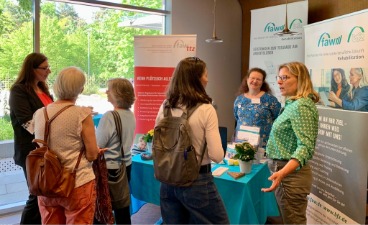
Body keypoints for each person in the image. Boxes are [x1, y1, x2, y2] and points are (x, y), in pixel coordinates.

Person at [155, 57, 229, 224]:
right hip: (197, 181)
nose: (207, 79)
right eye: (205, 75)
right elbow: (217, 155)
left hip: (167, 180)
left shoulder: (166, 105)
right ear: (197, 78)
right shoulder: (206, 109)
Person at [30, 66, 101, 224]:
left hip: (46, 183)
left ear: (57, 85)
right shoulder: (82, 114)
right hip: (77, 183)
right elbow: (91, 154)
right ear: (81, 89)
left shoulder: (40, 113)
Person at [261, 62, 319, 224]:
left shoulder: (302, 106)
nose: (279, 82)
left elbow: (305, 147)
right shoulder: (292, 104)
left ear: (300, 80)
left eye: (285, 78)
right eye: (279, 78)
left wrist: (282, 173)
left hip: (290, 178)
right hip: (284, 174)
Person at [9, 52, 53, 224]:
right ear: (32, 69)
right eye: (44, 68)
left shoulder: (43, 89)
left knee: (43, 196)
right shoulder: (19, 90)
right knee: (36, 196)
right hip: (31, 152)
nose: (48, 71)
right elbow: (27, 123)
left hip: (46, 151)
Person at [96, 78, 136, 224]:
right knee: (122, 207)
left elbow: (98, 145)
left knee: (102, 207)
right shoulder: (130, 114)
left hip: (110, 168)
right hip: (126, 165)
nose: (106, 91)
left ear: (118, 94)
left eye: (109, 89)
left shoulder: (109, 116)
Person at [233, 67, 281, 147]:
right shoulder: (239, 99)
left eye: (258, 79)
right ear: (247, 79)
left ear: (262, 82)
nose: (255, 81)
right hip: (241, 145)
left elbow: (277, 118)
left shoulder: (270, 100)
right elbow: (236, 117)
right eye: (252, 78)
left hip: (263, 145)